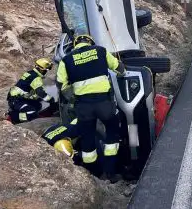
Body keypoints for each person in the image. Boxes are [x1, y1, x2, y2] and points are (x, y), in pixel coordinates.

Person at [56, 34, 123, 182]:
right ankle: (111, 173)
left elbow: (61, 85)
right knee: (112, 132)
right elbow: (118, 67)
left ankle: (94, 175)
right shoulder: (100, 51)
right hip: (104, 103)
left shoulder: (66, 60)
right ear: (91, 43)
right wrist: (123, 72)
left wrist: (74, 98)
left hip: (84, 106)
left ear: (74, 45)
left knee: (87, 138)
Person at [7, 58, 56, 124]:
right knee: (32, 114)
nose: (46, 72)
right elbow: (40, 93)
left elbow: (30, 91)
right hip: (16, 101)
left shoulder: (30, 73)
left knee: (37, 105)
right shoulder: (36, 78)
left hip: (17, 98)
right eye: (46, 70)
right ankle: (12, 117)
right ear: (42, 70)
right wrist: (51, 100)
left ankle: (18, 111)